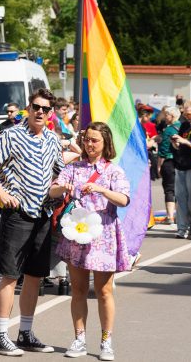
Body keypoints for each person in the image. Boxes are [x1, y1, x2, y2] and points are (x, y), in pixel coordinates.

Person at [0, 88, 64, 356]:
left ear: (51, 114)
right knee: (10, 275)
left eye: (45, 109)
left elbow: (58, 171)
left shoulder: (52, 139)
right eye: (35, 107)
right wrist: (1, 193)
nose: (40, 112)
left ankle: (25, 332)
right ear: (28, 108)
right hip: (18, 212)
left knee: (35, 276)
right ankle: (1, 335)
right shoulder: (12, 135)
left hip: (44, 214)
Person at [49, 122, 130, 360]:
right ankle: (79, 339)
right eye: (87, 139)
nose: (89, 144)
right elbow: (52, 191)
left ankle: (106, 341)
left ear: (106, 143)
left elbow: (124, 200)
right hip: (77, 234)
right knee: (79, 290)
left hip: (103, 236)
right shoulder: (74, 167)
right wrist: (61, 187)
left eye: (95, 140)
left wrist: (102, 190)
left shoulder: (114, 171)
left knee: (104, 291)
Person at [171, 101, 191, 240]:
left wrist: (187, 142)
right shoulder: (184, 125)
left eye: (189, 114)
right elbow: (180, 145)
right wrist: (176, 143)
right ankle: (182, 228)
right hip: (180, 165)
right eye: (184, 114)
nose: (186, 117)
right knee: (180, 198)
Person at [157, 106, 180, 225]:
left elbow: (163, 150)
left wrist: (159, 165)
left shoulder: (169, 130)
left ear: (173, 116)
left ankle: (170, 216)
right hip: (181, 163)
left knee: (169, 189)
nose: (165, 117)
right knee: (180, 189)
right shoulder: (182, 126)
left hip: (169, 162)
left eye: (167, 115)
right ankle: (179, 216)